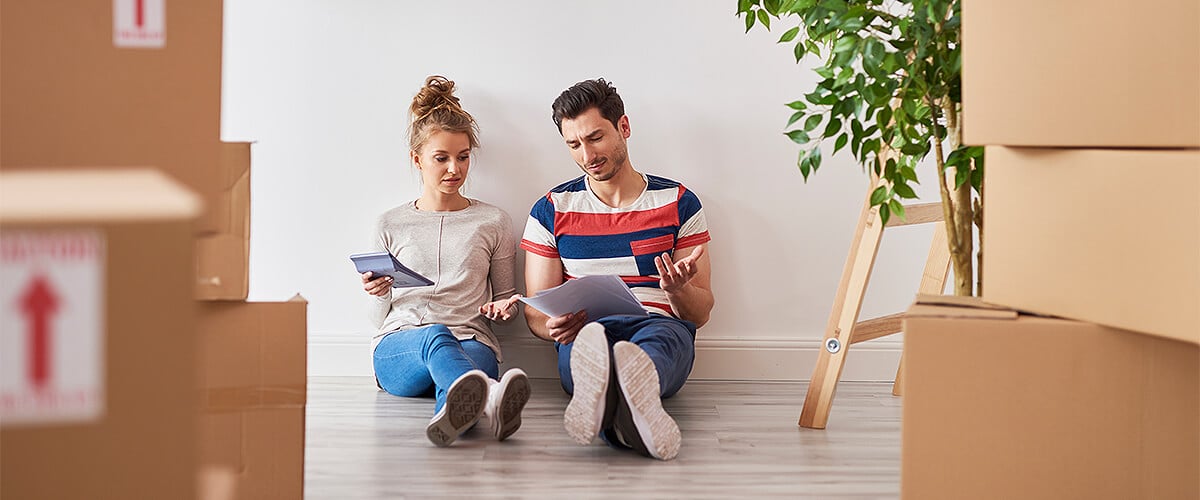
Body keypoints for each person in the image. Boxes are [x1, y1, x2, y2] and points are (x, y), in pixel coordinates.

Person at [520, 78, 714, 460]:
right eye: (573, 145)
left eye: (595, 138)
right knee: (588, 349)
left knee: (656, 344)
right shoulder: (551, 209)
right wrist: (552, 326)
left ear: (623, 127)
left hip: (659, 322)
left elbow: (701, 313)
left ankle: (611, 400)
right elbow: (535, 313)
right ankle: (628, 417)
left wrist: (678, 291)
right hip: (586, 331)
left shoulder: (678, 202)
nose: (587, 154)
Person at [364, 75, 529, 447]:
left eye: (463, 157)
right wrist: (378, 293)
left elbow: (507, 300)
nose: (454, 169)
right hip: (402, 346)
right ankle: (491, 397)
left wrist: (504, 308)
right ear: (417, 159)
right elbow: (378, 318)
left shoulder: (494, 221)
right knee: (435, 336)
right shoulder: (389, 223)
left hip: (471, 340)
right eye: (441, 158)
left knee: (461, 380)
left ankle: (452, 415)